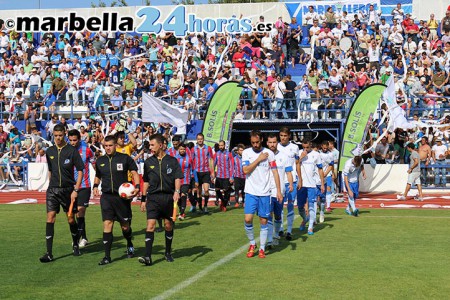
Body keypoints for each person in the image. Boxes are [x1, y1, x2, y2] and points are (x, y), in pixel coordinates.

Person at [39, 124, 84, 263]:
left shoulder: (71, 151)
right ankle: (49, 253)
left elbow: (81, 170)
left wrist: (76, 190)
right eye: (56, 136)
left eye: (60, 136)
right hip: (52, 190)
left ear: (64, 134)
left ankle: (75, 244)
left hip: (68, 190)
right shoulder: (50, 151)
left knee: (71, 218)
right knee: (50, 217)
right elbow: (51, 170)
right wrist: (49, 184)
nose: (58, 138)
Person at [94, 135, 140, 265]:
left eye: (110, 145)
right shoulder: (100, 160)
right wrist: (95, 186)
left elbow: (135, 172)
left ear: (115, 145)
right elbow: (98, 175)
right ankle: (107, 256)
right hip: (107, 197)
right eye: (105, 146)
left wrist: (137, 187)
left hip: (122, 198)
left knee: (125, 227)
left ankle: (129, 243)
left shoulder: (125, 158)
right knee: (107, 224)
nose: (108, 148)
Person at [139, 134, 183, 266]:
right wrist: (143, 199)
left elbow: (177, 178)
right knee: (150, 225)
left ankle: (168, 252)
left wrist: (176, 192)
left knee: (168, 225)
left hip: (168, 198)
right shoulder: (148, 163)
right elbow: (146, 181)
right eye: (150, 145)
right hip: (153, 198)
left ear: (161, 145)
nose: (150, 148)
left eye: (152, 145)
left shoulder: (172, 161)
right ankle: (147, 256)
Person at [242, 130, 283, 259]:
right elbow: (245, 170)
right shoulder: (246, 153)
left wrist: (278, 190)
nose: (255, 144)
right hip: (250, 191)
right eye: (253, 142)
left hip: (265, 193)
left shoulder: (269, 153)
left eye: (257, 142)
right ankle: (252, 243)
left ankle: (262, 248)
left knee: (263, 221)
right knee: (248, 219)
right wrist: (259, 159)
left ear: (261, 141)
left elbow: (275, 172)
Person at [68, 129, 95, 248]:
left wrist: (98, 183)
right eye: (70, 140)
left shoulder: (87, 150)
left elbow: (95, 164)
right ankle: (82, 236)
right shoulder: (66, 151)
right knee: (71, 215)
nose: (73, 143)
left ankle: (81, 238)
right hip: (70, 187)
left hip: (84, 185)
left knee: (80, 211)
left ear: (79, 139)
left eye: (75, 140)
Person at [266, 133, 293, 249]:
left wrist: (291, 184)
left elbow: (288, 172)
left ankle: (276, 235)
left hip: (279, 191)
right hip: (266, 191)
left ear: (277, 143)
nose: (272, 144)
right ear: (267, 143)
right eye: (270, 142)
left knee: (277, 215)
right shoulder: (264, 156)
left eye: (274, 142)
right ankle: (269, 239)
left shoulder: (284, 156)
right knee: (268, 214)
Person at [277, 127, 300, 240]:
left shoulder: (295, 148)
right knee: (279, 206)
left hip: (292, 181)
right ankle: (281, 228)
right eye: (281, 135)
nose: (283, 138)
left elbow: (297, 163)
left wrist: (300, 178)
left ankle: (289, 230)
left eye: (285, 135)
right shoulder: (275, 147)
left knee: (290, 206)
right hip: (279, 182)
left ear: (289, 136)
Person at [297, 140, 324, 235]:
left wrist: (322, 184)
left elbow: (320, 169)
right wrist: (300, 158)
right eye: (303, 147)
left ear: (311, 146)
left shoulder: (316, 155)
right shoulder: (299, 153)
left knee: (312, 205)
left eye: (307, 147)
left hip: (312, 185)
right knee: (300, 207)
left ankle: (310, 227)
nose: (305, 149)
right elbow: (295, 165)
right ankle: (305, 219)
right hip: (301, 185)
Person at [192, 133, 214, 213]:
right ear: (196, 140)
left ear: (203, 139)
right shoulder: (193, 149)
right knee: (199, 192)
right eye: (198, 139)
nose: (200, 140)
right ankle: (200, 206)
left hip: (206, 172)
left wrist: (212, 172)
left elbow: (211, 159)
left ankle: (205, 206)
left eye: (201, 139)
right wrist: (192, 173)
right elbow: (191, 161)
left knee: (206, 190)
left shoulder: (208, 148)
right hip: (197, 172)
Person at [174, 143, 196, 220]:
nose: (182, 150)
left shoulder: (189, 159)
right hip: (177, 181)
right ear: (178, 150)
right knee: (179, 197)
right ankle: (181, 210)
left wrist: (195, 180)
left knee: (183, 195)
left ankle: (182, 213)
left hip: (186, 180)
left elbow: (193, 170)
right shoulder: (175, 159)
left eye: (184, 149)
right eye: (181, 149)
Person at [214, 140, 234, 212]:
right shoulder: (216, 154)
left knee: (226, 191)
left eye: (222, 145)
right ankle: (223, 201)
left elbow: (231, 166)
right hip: (219, 175)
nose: (221, 147)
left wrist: (231, 176)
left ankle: (224, 205)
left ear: (225, 145)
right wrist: (212, 174)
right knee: (217, 189)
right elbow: (213, 164)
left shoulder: (229, 154)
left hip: (227, 176)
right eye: (219, 145)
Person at [318, 141, 334, 222]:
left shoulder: (330, 154)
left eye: (326, 148)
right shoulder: (318, 154)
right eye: (323, 148)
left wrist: (326, 173)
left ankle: (326, 208)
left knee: (327, 190)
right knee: (317, 197)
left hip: (327, 175)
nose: (324, 149)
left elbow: (331, 165)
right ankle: (319, 208)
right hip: (317, 177)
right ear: (321, 146)